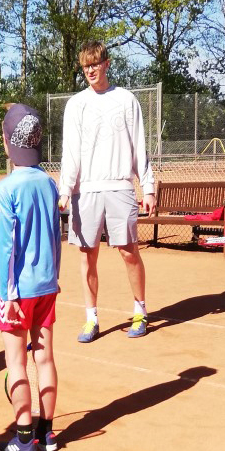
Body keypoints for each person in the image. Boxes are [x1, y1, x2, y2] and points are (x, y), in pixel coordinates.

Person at [58, 41, 157, 343]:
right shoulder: (76, 104)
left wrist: (148, 187)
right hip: (85, 191)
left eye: (95, 64)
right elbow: (70, 151)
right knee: (87, 256)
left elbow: (139, 146)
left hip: (119, 186)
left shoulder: (126, 100)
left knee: (128, 252)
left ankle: (140, 311)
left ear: (106, 64)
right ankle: (91, 319)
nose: (90, 70)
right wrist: (65, 190)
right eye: (86, 66)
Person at [0, 104, 62, 451]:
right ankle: (46, 432)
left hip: (18, 292)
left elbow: (7, 249)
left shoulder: (5, 189)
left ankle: (23, 439)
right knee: (45, 359)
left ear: (7, 142)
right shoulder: (49, 183)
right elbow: (56, 237)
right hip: (47, 286)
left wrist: (8, 296)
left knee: (16, 362)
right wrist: (53, 278)